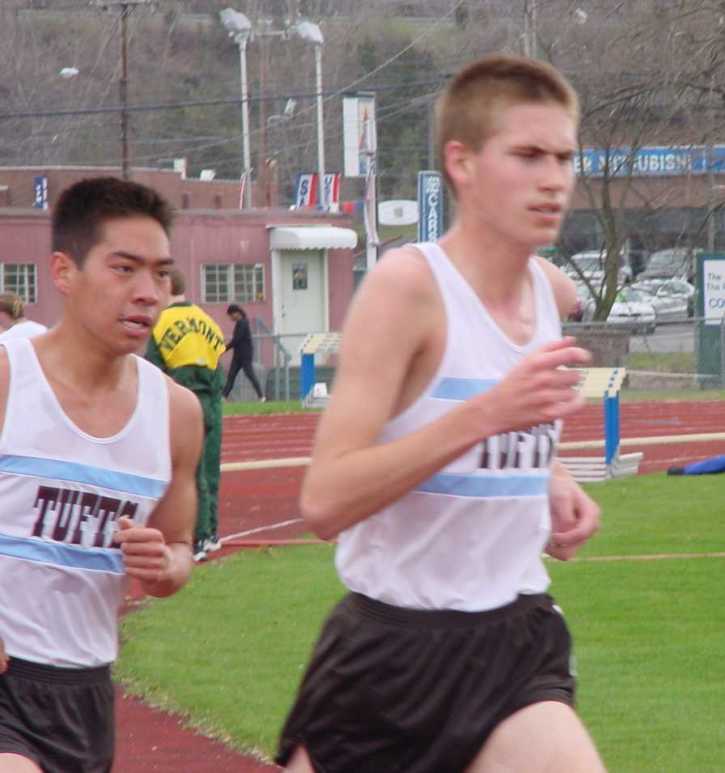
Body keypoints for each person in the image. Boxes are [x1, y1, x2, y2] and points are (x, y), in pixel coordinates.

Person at [277, 55, 605, 773]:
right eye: (526, 155)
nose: (553, 179)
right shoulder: (407, 289)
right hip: (390, 655)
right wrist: (488, 415)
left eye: (563, 157)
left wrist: (549, 475)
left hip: (515, 640)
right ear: (460, 161)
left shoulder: (549, 292)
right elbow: (325, 500)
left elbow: (496, 417)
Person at [0, 176, 203, 773]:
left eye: (161, 274)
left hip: (84, 692)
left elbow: (179, 552)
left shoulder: (176, 415)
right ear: (64, 273)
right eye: (124, 269)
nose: (148, 293)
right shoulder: (10, 381)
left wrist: (164, 564)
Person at [146, 268, 226, 562]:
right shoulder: (207, 319)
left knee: (188, 475)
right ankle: (212, 532)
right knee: (211, 469)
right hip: (211, 400)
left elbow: (153, 368)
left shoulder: (160, 322)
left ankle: (197, 535)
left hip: (181, 401)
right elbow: (219, 360)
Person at [222, 304, 265, 401]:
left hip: (245, 355)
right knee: (231, 376)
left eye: (231, 315)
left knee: (250, 374)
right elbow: (236, 340)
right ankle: (223, 397)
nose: (230, 317)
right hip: (237, 355)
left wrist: (224, 349)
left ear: (236, 313)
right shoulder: (240, 323)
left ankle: (261, 396)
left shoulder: (243, 323)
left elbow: (237, 339)